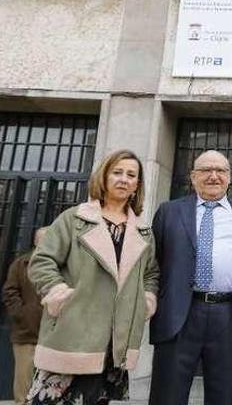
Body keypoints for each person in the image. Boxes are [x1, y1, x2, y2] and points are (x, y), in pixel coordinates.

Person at [26, 149, 159, 404]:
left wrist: (147, 300)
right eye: (117, 172)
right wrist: (58, 293)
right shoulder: (74, 219)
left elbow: (151, 273)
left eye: (131, 175)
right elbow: (42, 261)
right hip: (73, 330)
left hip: (114, 341)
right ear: (104, 176)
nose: (124, 179)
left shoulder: (144, 231)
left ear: (137, 185)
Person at [148, 150, 232, 405]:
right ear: (193, 176)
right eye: (206, 170)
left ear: (229, 177)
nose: (213, 176)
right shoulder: (169, 212)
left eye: (220, 171)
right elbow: (153, 263)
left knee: (223, 396)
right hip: (179, 315)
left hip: (228, 316)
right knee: (168, 395)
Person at [2, 227, 47, 405]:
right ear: (36, 241)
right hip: (26, 333)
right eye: (45, 239)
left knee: (47, 386)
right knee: (24, 383)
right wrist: (22, 314)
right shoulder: (21, 264)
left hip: (51, 335)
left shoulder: (63, 265)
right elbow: (9, 292)